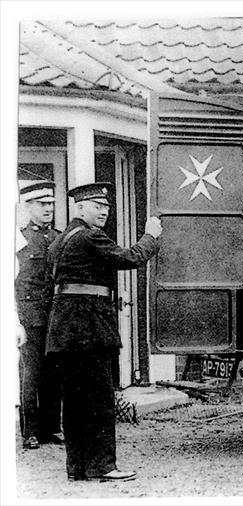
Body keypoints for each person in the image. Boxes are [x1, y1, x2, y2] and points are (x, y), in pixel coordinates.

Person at [46, 182, 162, 482]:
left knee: (73, 402)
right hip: (91, 331)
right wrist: (152, 235)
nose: (104, 212)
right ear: (79, 207)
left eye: (106, 207)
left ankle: (78, 468)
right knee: (98, 400)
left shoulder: (59, 240)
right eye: (97, 206)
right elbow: (131, 258)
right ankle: (103, 466)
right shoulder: (89, 236)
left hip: (66, 332)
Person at [15, 180, 64, 450]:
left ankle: (51, 428)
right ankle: (30, 432)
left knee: (53, 372)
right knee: (31, 375)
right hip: (30, 315)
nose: (48, 209)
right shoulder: (20, 238)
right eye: (42, 205)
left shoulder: (57, 237)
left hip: (53, 315)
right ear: (29, 206)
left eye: (51, 205)